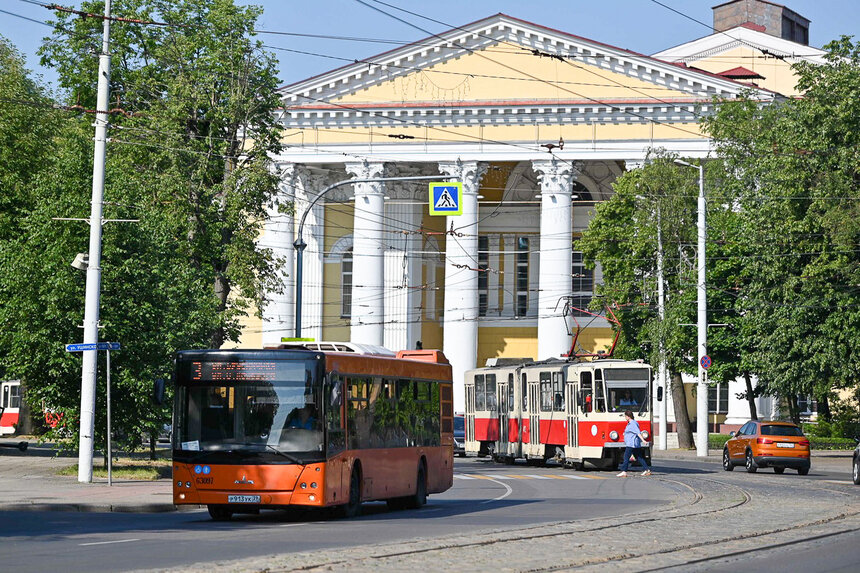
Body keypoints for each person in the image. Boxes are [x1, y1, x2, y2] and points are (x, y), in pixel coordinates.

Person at [617, 410, 651, 477]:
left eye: (625, 416)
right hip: (634, 444)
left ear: (628, 416)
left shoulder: (633, 423)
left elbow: (638, 433)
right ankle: (646, 470)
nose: (625, 418)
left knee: (626, 457)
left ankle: (624, 472)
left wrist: (643, 440)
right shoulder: (631, 423)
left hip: (631, 444)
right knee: (639, 457)